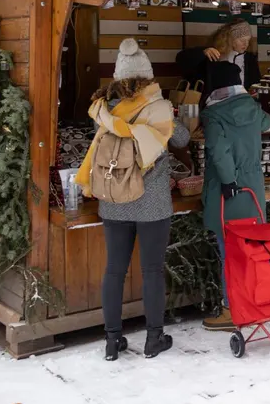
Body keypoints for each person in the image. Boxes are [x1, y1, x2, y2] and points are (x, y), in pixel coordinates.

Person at [75, 38, 189, 360]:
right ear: (147, 76)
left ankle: (113, 341)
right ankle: (154, 339)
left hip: (113, 199)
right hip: (152, 203)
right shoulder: (159, 108)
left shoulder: (104, 110)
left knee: (114, 270)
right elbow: (180, 138)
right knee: (152, 270)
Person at [199, 61, 270, 330]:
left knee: (229, 251)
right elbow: (268, 123)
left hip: (228, 191)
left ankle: (232, 310)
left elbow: (219, 151)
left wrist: (229, 180)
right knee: (252, 247)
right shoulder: (253, 108)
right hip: (253, 187)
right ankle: (257, 300)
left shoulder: (213, 114)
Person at [176, 18, 260, 98]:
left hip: (242, 104)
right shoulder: (215, 55)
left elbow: (256, 83)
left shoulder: (250, 59)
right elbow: (181, 58)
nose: (246, 44)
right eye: (242, 40)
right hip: (216, 105)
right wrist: (203, 52)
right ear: (230, 39)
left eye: (248, 40)